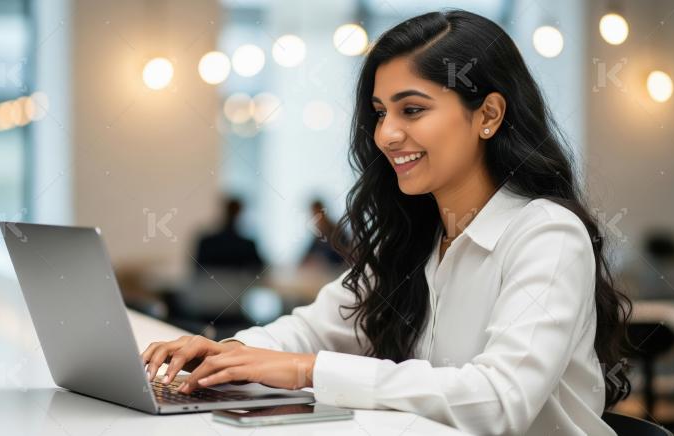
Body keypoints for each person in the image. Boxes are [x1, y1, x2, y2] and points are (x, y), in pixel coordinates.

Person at [141, 10, 631, 434]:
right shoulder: (417, 237)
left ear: (488, 114)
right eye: (379, 113)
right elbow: (313, 329)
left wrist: (307, 372)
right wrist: (221, 354)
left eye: (412, 110)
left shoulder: (547, 234)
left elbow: (498, 402)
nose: (387, 134)